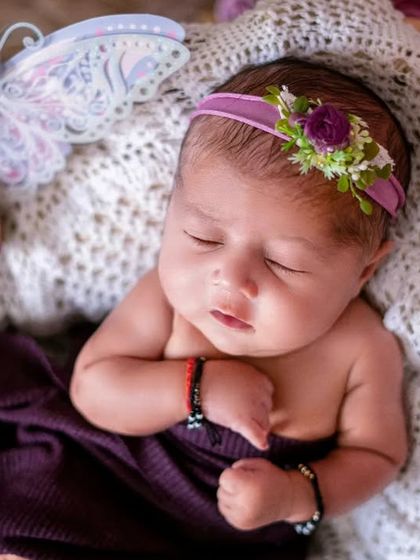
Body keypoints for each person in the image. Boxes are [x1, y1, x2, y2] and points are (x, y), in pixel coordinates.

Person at [67, 57, 410, 557]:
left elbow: (377, 455)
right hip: (99, 483)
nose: (231, 277)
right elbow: (92, 388)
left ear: (364, 272)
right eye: (203, 237)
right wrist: (195, 389)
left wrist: (296, 494)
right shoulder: (171, 298)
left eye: (283, 263)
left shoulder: (361, 349)